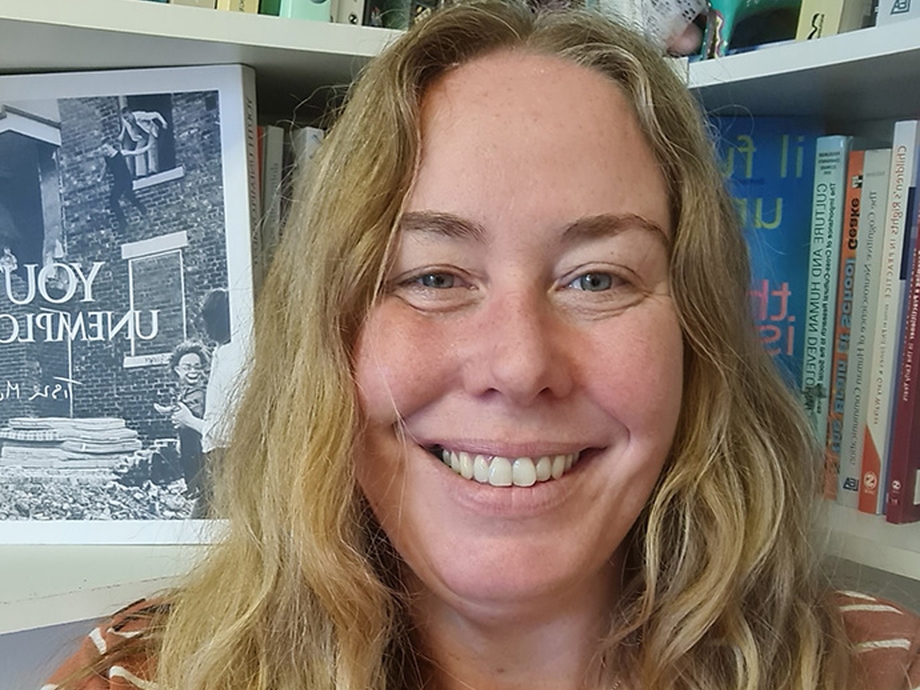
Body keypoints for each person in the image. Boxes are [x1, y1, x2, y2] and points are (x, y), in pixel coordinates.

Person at [46, 2, 920, 690]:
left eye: (598, 278)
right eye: (433, 276)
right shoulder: (135, 676)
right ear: (330, 336)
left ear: (698, 339)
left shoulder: (885, 666)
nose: (518, 366)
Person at [155, 341, 209, 504]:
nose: (193, 371)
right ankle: (193, 489)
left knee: (196, 463)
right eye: (187, 367)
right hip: (187, 439)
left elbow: (195, 412)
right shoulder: (185, 392)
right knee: (187, 461)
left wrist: (173, 412)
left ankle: (198, 491)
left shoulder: (201, 393)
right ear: (177, 370)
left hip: (199, 441)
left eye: (197, 367)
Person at [100, 139, 149, 230]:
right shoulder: (107, 159)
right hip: (118, 181)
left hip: (126, 179)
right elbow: (105, 168)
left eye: (106, 149)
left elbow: (135, 153)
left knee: (128, 194)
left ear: (111, 146)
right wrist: (100, 178)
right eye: (103, 150)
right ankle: (123, 223)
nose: (105, 151)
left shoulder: (121, 153)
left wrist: (147, 148)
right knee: (113, 201)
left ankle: (141, 208)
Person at [118, 106, 169, 177]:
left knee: (151, 147)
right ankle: (140, 172)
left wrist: (164, 122)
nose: (127, 119)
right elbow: (124, 127)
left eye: (127, 117)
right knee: (138, 150)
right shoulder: (126, 122)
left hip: (150, 131)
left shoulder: (140, 115)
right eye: (124, 118)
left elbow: (156, 114)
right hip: (142, 135)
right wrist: (121, 135)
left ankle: (153, 169)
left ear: (131, 113)